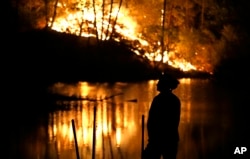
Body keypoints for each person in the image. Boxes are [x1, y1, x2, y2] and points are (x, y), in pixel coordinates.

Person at [143, 73, 181, 159]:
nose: (157, 84)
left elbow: (152, 121)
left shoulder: (158, 100)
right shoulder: (175, 100)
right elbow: (175, 122)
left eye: (159, 82)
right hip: (171, 139)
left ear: (164, 84)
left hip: (157, 140)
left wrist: (152, 138)